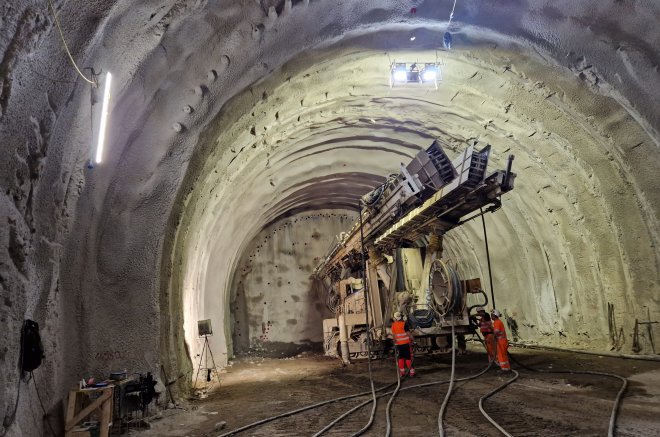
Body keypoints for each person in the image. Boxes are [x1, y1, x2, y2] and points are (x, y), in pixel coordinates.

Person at [391, 311, 415, 377]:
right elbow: (408, 334)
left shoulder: (393, 325)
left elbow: (393, 336)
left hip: (399, 345)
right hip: (406, 344)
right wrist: (413, 339)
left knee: (400, 358)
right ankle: (412, 372)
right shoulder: (404, 324)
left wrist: (395, 342)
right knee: (408, 358)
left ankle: (402, 372)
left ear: (395, 318)